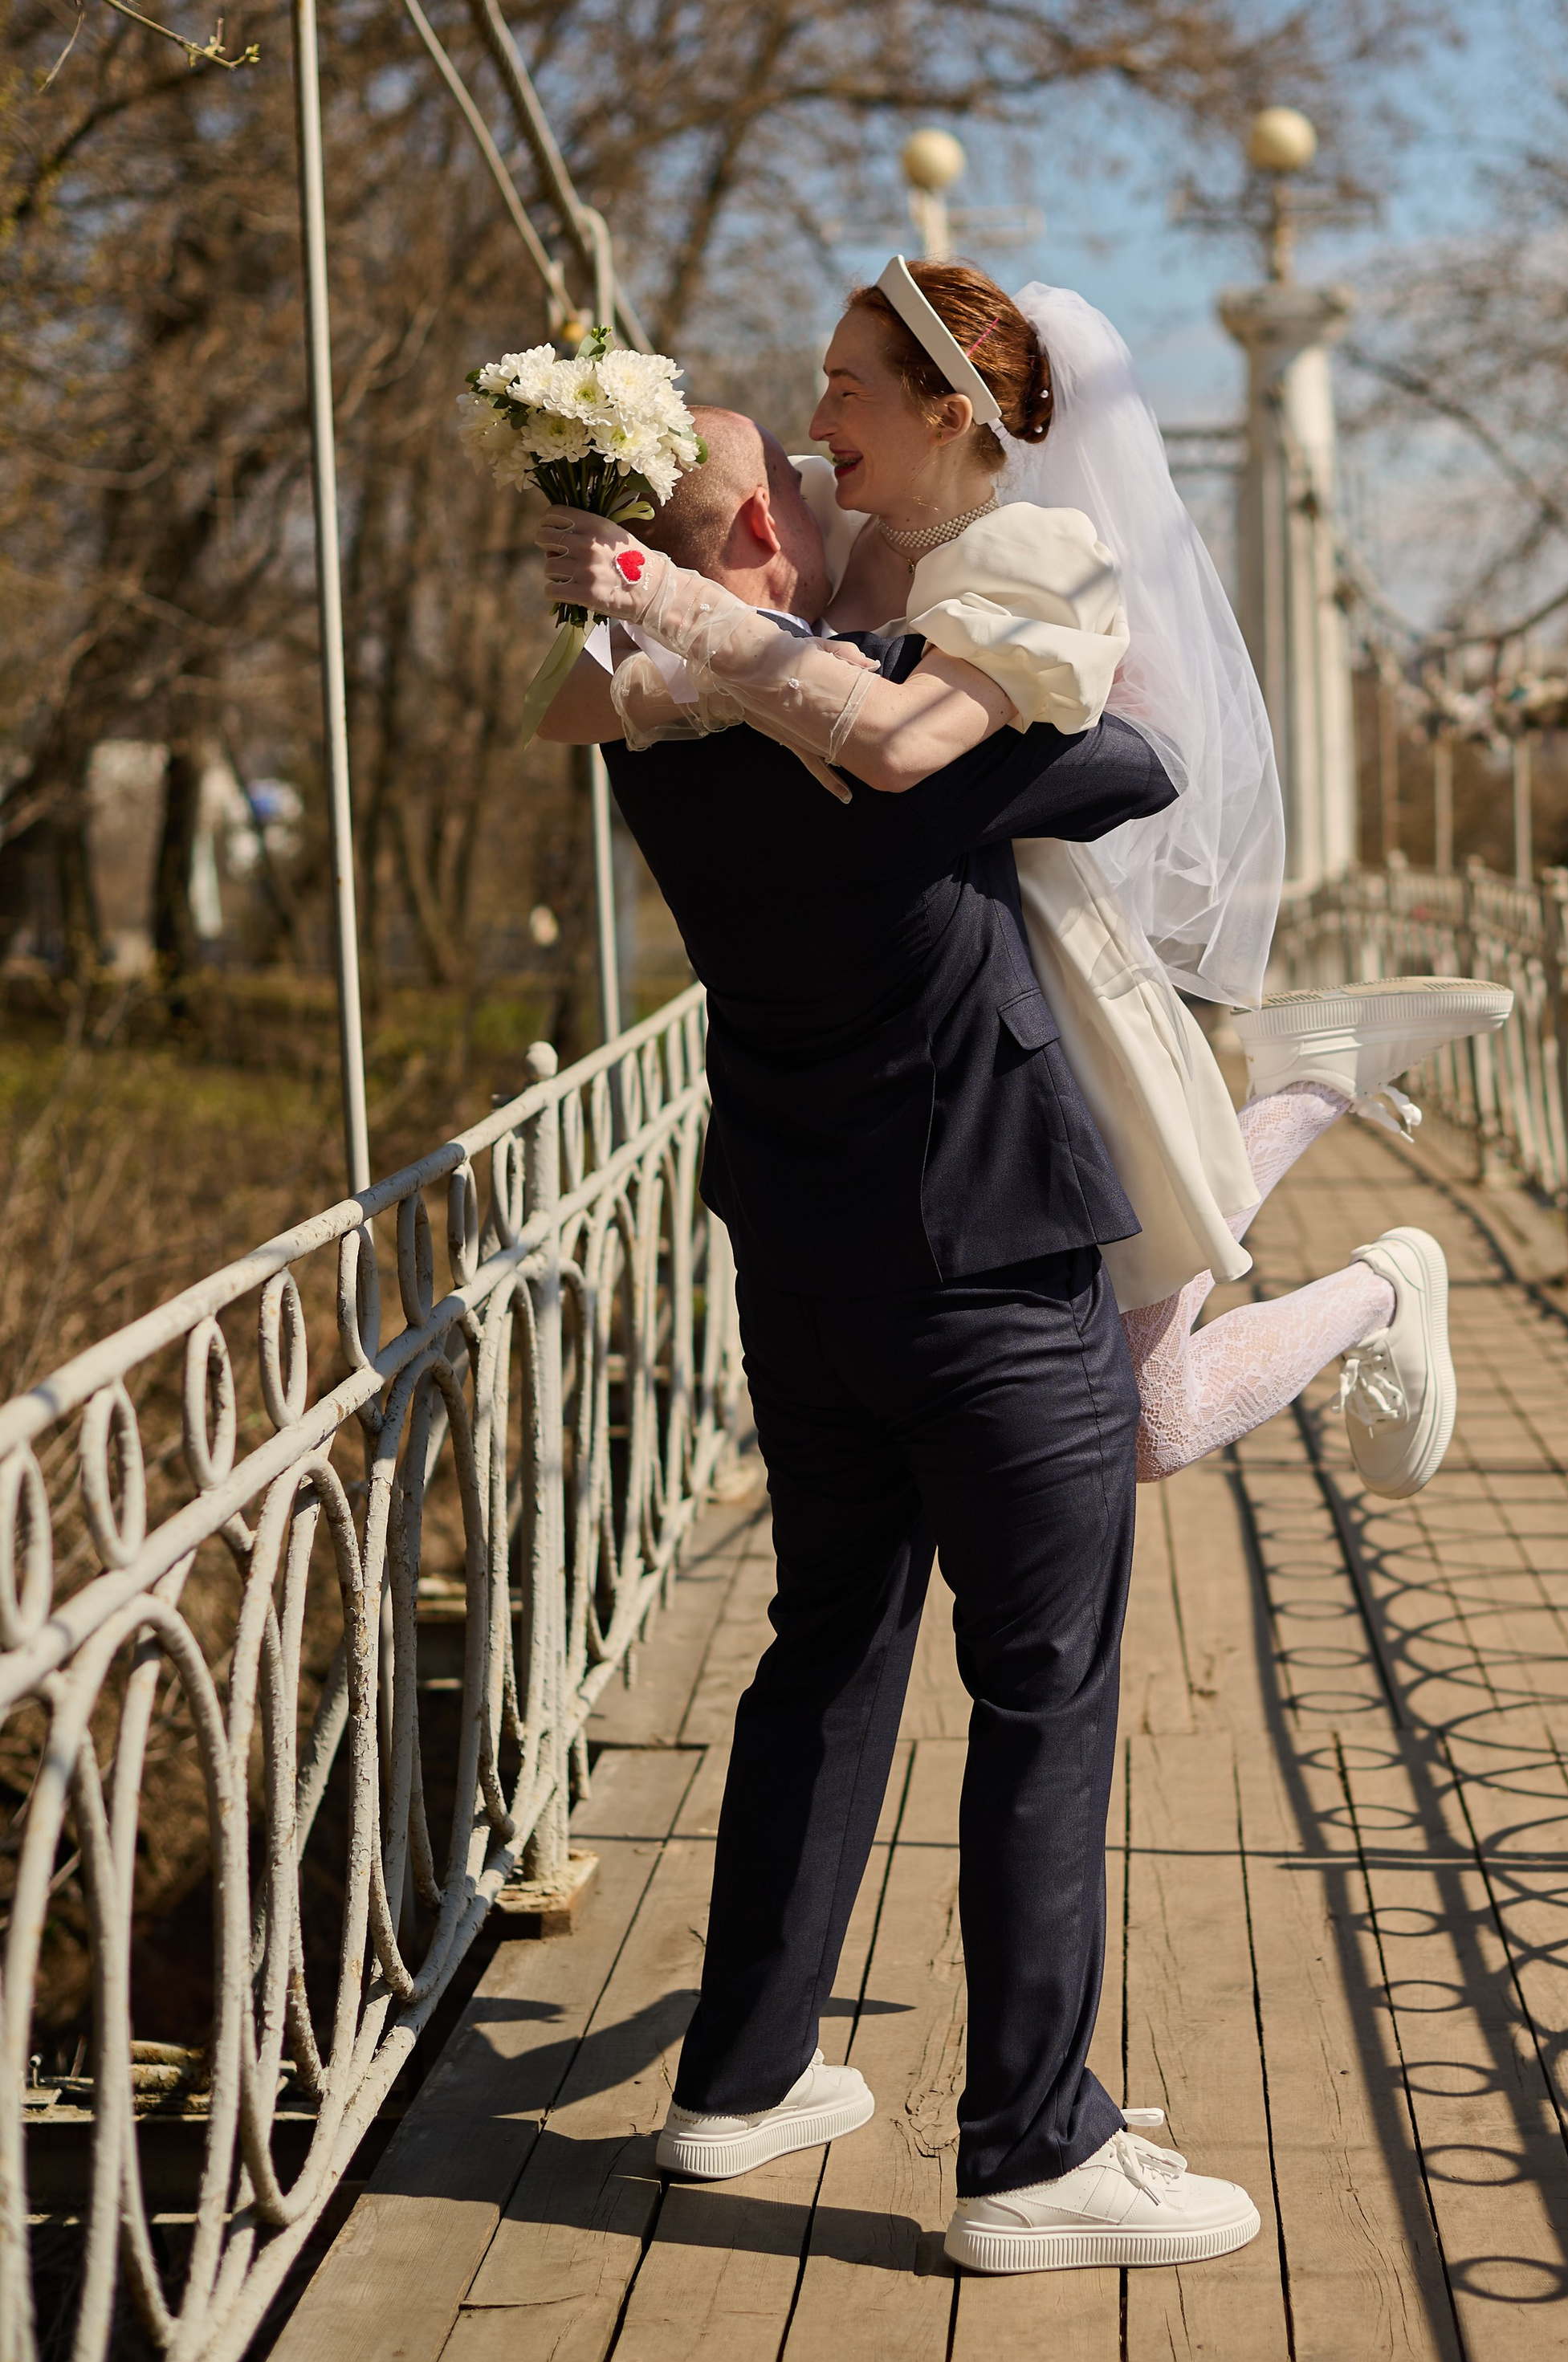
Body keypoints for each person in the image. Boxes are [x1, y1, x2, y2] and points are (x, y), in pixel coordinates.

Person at [537, 462, 1269, 2272]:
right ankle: (1029, 2152)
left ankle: (739, 2077)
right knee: (1041, 1697)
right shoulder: (875, 741)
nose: (805, 469)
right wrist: (980, 653)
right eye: (773, 478)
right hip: (994, 1285)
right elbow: (1135, 768)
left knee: (824, 1655)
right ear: (760, 546)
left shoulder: (650, 741)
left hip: (803, 1281)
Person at [540, 262, 1511, 1497]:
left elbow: (915, 740)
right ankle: (1310, 1084)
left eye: (845, 390)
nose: (818, 426)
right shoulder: (838, 531)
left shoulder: (1038, 553)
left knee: (1150, 1428)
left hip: (1050, 997)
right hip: (942, 1011)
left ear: (947, 411)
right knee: (1146, 1386)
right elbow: (603, 694)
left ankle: (1380, 1274)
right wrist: (620, 533)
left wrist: (672, 607)